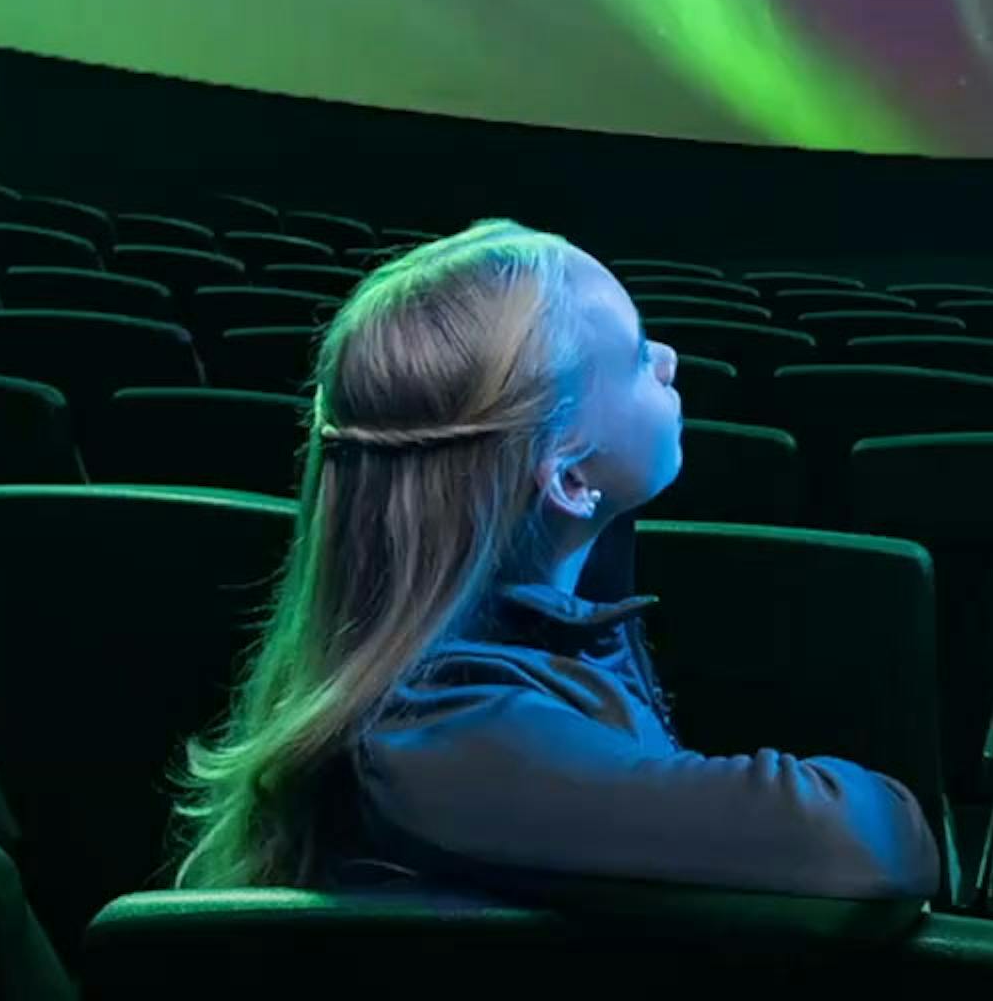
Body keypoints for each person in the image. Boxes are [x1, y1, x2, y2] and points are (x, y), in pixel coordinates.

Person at [173, 219, 941, 902]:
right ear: (572, 480)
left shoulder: (469, 663)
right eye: (640, 356)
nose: (670, 359)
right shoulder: (439, 749)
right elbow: (874, 844)